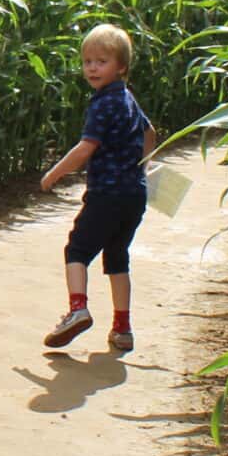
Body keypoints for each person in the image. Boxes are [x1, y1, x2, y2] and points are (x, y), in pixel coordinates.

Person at [37, 23, 159, 352]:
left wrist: (54, 173)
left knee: (76, 250)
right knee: (117, 258)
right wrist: (143, 167)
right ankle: (122, 328)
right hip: (134, 195)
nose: (92, 67)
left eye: (101, 61)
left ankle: (78, 309)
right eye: (88, 61)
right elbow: (150, 134)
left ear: (121, 66)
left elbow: (85, 148)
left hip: (106, 194)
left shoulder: (102, 103)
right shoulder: (128, 99)